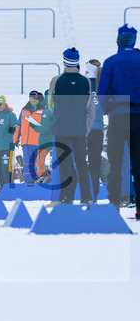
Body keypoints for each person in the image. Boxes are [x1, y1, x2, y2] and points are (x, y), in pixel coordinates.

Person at [97, 23, 140, 216]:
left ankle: (114, 205)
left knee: (116, 163)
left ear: (118, 40)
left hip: (118, 117)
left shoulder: (111, 62)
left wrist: (108, 111)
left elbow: (102, 92)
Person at [50, 48, 95, 204]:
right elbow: (88, 106)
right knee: (82, 163)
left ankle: (67, 198)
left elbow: (50, 106)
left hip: (62, 128)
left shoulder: (56, 80)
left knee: (64, 164)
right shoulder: (86, 82)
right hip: (79, 128)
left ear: (64, 62)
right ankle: (86, 197)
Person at [14, 90, 45, 183]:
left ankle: (38, 181)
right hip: (26, 142)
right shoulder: (24, 110)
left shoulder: (43, 110)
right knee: (27, 163)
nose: (32, 100)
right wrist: (15, 138)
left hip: (38, 142)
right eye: (30, 98)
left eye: (34, 98)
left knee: (37, 163)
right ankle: (28, 182)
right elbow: (18, 125)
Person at [85, 60, 105, 198]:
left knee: (80, 162)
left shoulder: (83, 84)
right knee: (95, 164)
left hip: (84, 130)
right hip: (98, 130)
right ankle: (95, 195)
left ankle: (85, 194)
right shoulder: (103, 85)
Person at [0, 95, 17, 184]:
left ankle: (7, 186)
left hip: (6, 147)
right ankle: (2, 187)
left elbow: (16, 130)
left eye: (0, 104)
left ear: (5, 104)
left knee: (6, 168)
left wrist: (12, 135)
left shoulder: (11, 115)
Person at [35, 90, 54, 183]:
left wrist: (35, 127)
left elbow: (45, 129)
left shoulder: (47, 112)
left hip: (45, 142)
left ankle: (43, 179)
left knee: (40, 163)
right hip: (53, 142)